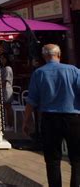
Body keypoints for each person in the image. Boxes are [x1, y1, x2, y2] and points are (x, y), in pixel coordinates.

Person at [22, 44, 79, 187]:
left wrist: (26, 120)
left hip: (49, 119)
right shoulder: (74, 71)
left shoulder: (39, 73)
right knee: (77, 159)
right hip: (73, 119)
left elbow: (31, 100)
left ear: (44, 56)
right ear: (59, 54)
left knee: (52, 159)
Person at [0, 53, 14, 130]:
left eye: (3, 58)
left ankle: (10, 125)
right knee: (6, 107)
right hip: (4, 90)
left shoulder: (8, 68)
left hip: (6, 90)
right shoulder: (4, 67)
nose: (2, 60)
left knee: (8, 107)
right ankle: (7, 123)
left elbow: (5, 81)